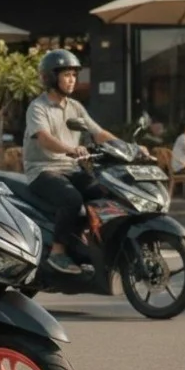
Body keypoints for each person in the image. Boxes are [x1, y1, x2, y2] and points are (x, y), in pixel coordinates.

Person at [22, 49, 118, 276]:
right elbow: (44, 139)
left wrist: (129, 148)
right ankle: (58, 252)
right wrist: (70, 150)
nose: (72, 80)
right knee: (71, 199)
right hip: (43, 170)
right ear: (51, 77)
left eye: (74, 75)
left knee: (105, 191)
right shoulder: (38, 107)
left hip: (71, 169)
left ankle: (89, 243)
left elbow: (98, 132)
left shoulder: (75, 107)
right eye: (67, 75)